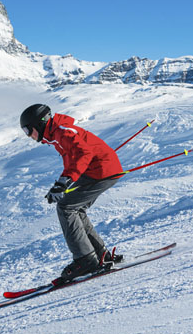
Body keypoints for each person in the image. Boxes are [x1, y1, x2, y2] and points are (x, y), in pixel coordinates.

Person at [19, 103, 124, 283]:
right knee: (74, 207)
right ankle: (99, 255)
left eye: (28, 130)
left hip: (102, 171)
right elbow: (72, 159)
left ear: (39, 123)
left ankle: (86, 260)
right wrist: (62, 184)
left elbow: (84, 154)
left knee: (66, 208)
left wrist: (65, 181)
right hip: (98, 170)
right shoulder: (56, 134)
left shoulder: (63, 132)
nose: (29, 136)